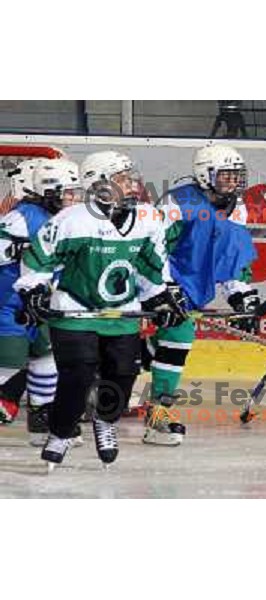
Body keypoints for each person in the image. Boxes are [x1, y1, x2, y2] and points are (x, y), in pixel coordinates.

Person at [14, 150, 185, 467]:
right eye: (122, 178)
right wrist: (34, 290)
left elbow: (153, 268)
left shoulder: (147, 219)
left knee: (122, 374)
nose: (132, 184)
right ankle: (62, 433)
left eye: (130, 177)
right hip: (75, 311)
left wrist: (162, 295)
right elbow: (37, 261)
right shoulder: (71, 220)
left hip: (122, 313)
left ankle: (105, 422)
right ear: (99, 184)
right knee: (77, 375)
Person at [142, 144, 259, 445]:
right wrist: (164, 287)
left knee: (159, 345)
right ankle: (158, 413)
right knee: (179, 337)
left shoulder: (238, 208)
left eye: (237, 176)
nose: (233, 182)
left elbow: (231, 256)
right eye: (226, 175)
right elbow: (153, 249)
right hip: (154, 281)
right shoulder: (178, 203)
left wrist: (241, 294)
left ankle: (107, 379)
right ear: (205, 175)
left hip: (192, 289)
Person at [0, 158, 80, 446]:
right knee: (9, 362)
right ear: (49, 191)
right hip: (9, 304)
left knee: (46, 355)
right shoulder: (23, 216)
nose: (74, 198)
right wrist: (14, 248)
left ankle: (42, 419)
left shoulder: (67, 220)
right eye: (68, 192)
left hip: (41, 305)